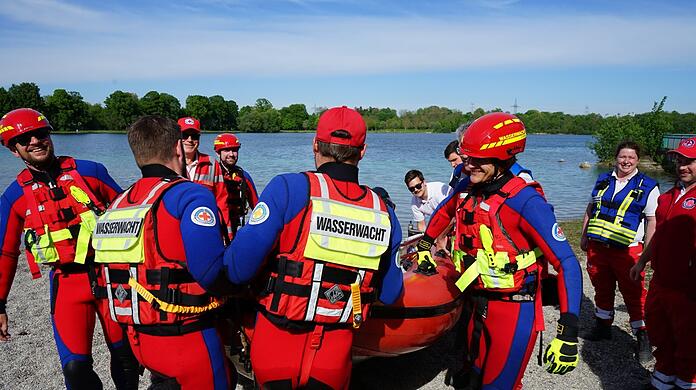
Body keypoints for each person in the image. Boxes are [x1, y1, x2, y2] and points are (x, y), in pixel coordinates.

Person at [223, 106, 404, 389]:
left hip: (274, 345)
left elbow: (236, 269)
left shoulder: (289, 187)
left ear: (315, 145)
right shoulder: (384, 212)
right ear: (363, 151)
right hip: (334, 354)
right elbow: (391, 293)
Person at [416, 112, 582, 389]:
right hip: (476, 303)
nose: (467, 166)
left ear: (502, 157)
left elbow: (567, 262)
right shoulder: (469, 188)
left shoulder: (526, 200)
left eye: (475, 160)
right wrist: (424, 244)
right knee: (470, 380)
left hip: (513, 311)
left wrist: (568, 330)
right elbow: (446, 211)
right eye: (465, 158)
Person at [92, 115, 236, 389]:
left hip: (140, 339)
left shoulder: (119, 202)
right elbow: (211, 272)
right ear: (178, 148)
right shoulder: (190, 195)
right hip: (188, 337)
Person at [0, 108, 139, 389]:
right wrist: (0, 303)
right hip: (66, 285)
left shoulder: (91, 172)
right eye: (24, 139)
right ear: (14, 150)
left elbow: (129, 217)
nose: (35, 141)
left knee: (126, 356)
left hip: (111, 279)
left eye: (40, 134)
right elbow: (6, 253)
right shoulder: (14, 197)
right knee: (75, 369)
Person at [579, 141, 659, 362]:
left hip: (627, 250)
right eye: (622, 157)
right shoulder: (603, 180)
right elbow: (591, 208)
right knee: (601, 287)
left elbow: (652, 221)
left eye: (631, 158)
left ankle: (643, 337)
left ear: (637, 160)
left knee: (634, 294)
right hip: (598, 247)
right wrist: (584, 234)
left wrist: (646, 255)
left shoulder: (648, 186)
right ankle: (603, 325)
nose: (626, 161)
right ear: (616, 157)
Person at [630, 137, 696, 390]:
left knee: (689, 341)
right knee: (661, 333)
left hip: (688, 287)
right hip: (661, 281)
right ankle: (662, 381)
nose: (682, 166)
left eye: (689, 161)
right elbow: (660, 234)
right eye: (679, 160)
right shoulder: (668, 196)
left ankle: (686, 383)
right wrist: (641, 261)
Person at [178, 117, 232, 237]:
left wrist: (227, 236)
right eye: (185, 135)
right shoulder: (168, 164)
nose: (190, 140)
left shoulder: (212, 163)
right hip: (176, 232)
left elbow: (221, 202)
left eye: (194, 136)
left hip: (206, 231)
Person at [213, 133, 258, 237]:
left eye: (234, 150)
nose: (231, 154)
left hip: (236, 228)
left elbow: (256, 206)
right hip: (216, 228)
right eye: (226, 150)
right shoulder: (212, 175)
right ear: (218, 153)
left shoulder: (244, 177)